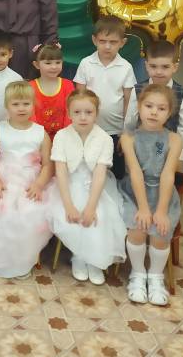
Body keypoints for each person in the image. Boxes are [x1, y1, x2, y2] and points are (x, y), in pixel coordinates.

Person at [48, 90, 126, 285]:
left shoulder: (104, 139)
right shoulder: (61, 136)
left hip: (96, 188)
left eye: (88, 112)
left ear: (96, 113)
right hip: (67, 186)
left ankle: (95, 261)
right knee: (69, 216)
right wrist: (68, 205)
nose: (83, 117)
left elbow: (100, 174)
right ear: (69, 113)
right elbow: (61, 172)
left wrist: (91, 206)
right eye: (77, 112)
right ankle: (79, 257)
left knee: (101, 215)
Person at [0, 81, 54, 279]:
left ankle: (23, 260)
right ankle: (2, 257)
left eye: (26, 104)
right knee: (4, 211)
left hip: (31, 182)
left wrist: (39, 185)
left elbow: (48, 164)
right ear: (7, 106)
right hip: (4, 180)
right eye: (16, 104)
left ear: (33, 105)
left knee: (30, 213)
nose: (21, 108)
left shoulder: (40, 132)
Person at [119, 84, 182, 306]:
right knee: (138, 228)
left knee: (160, 233)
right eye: (149, 106)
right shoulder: (128, 138)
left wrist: (161, 211)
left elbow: (167, 174)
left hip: (163, 194)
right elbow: (135, 172)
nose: (154, 112)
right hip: (134, 193)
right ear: (139, 107)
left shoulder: (174, 139)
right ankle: (137, 273)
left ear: (169, 112)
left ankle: (155, 276)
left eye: (161, 108)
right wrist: (144, 208)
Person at [73, 16, 136, 179]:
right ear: (94, 40)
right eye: (102, 41)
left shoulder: (126, 67)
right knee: (89, 171)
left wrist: (125, 132)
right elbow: (79, 98)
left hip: (115, 132)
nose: (107, 46)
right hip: (89, 129)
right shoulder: (86, 64)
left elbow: (129, 102)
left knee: (116, 173)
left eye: (113, 42)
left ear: (122, 42)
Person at [124, 40, 183, 171]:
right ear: (146, 66)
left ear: (175, 67)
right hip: (140, 150)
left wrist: (179, 156)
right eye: (153, 66)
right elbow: (130, 121)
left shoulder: (182, 93)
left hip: (168, 152)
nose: (159, 72)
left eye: (165, 67)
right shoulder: (137, 90)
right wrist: (128, 147)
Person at [29, 43, 74, 140]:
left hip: (64, 138)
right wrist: (39, 138)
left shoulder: (68, 85)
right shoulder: (30, 87)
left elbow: (71, 112)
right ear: (37, 65)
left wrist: (64, 137)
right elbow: (30, 115)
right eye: (48, 63)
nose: (54, 67)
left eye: (58, 62)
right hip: (37, 139)